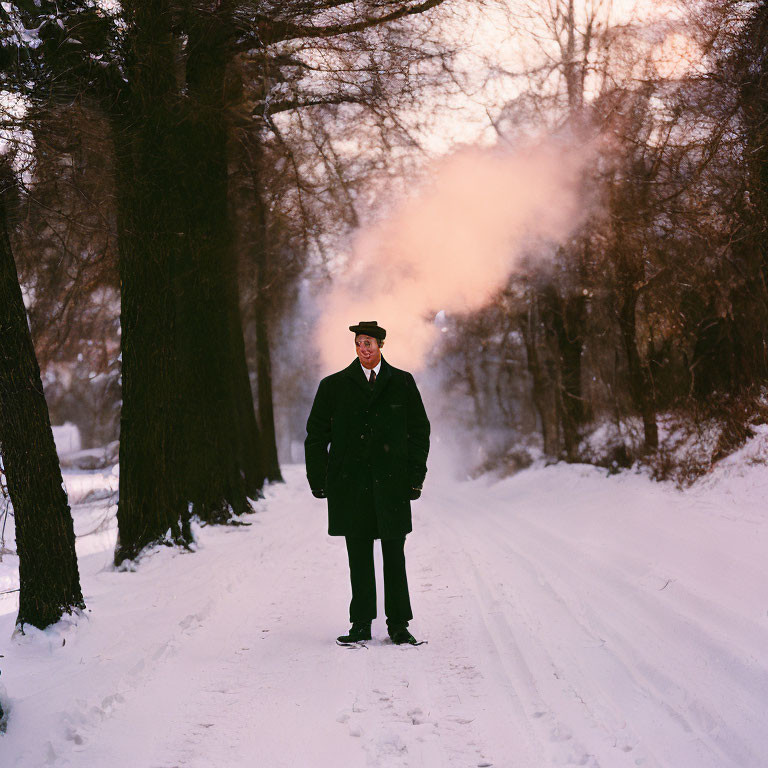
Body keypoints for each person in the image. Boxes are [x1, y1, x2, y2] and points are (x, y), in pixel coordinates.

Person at [305, 320, 431, 645]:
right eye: (360, 342)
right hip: (351, 486)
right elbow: (316, 436)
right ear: (356, 346)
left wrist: (414, 478)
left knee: (394, 557)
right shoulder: (333, 386)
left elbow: (420, 432)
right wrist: (319, 479)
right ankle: (360, 623)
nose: (364, 348)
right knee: (358, 556)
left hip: (392, 486)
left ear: (380, 346)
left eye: (370, 343)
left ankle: (398, 625)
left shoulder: (402, 383)